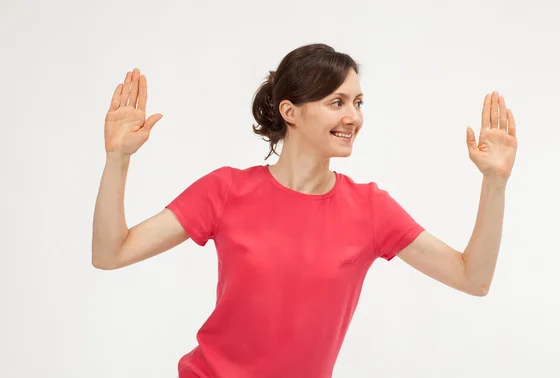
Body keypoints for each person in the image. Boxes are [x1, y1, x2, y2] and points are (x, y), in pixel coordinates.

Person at [92, 43, 518, 378]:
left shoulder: (370, 209)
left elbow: (472, 277)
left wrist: (494, 182)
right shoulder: (225, 191)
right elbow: (111, 254)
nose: (354, 117)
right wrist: (118, 158)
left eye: (359, 102)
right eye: (337, 102)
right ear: (290, 112)